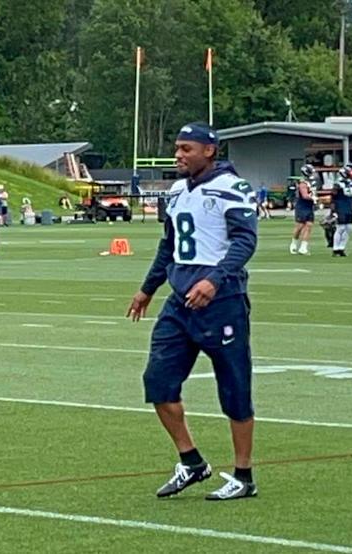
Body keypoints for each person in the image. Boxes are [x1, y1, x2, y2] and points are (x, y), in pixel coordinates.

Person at [126, 122, 259, 501]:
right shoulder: (176, 191)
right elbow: (169, 247)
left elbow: (245, 241)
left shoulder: (233, 188)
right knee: (158, 383)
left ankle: (243, 475)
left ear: (209, 151)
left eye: (186, 148)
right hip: (180, 301)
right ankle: (191, 461)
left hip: (222, 302)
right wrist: (147, 288)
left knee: (234, 389)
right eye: (177, 148)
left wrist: (215, 279)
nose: (179, 155)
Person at [329, 166, 352, 257]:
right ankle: (335, 248)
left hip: (349, 207)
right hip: (340, 207)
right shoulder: (337, 184)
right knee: (340, 228)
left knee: (350, 228)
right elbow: (333, 198)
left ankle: (342, 247)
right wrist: (333, 211)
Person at [290, 165, 317, 255]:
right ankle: (293, 243)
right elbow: (305, 195)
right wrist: (313, 198)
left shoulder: (312, 182)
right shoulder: (303, 182)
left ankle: (303, 247)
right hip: (302, 206)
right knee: (300, 226)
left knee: (309, 226)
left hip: (309, 206)